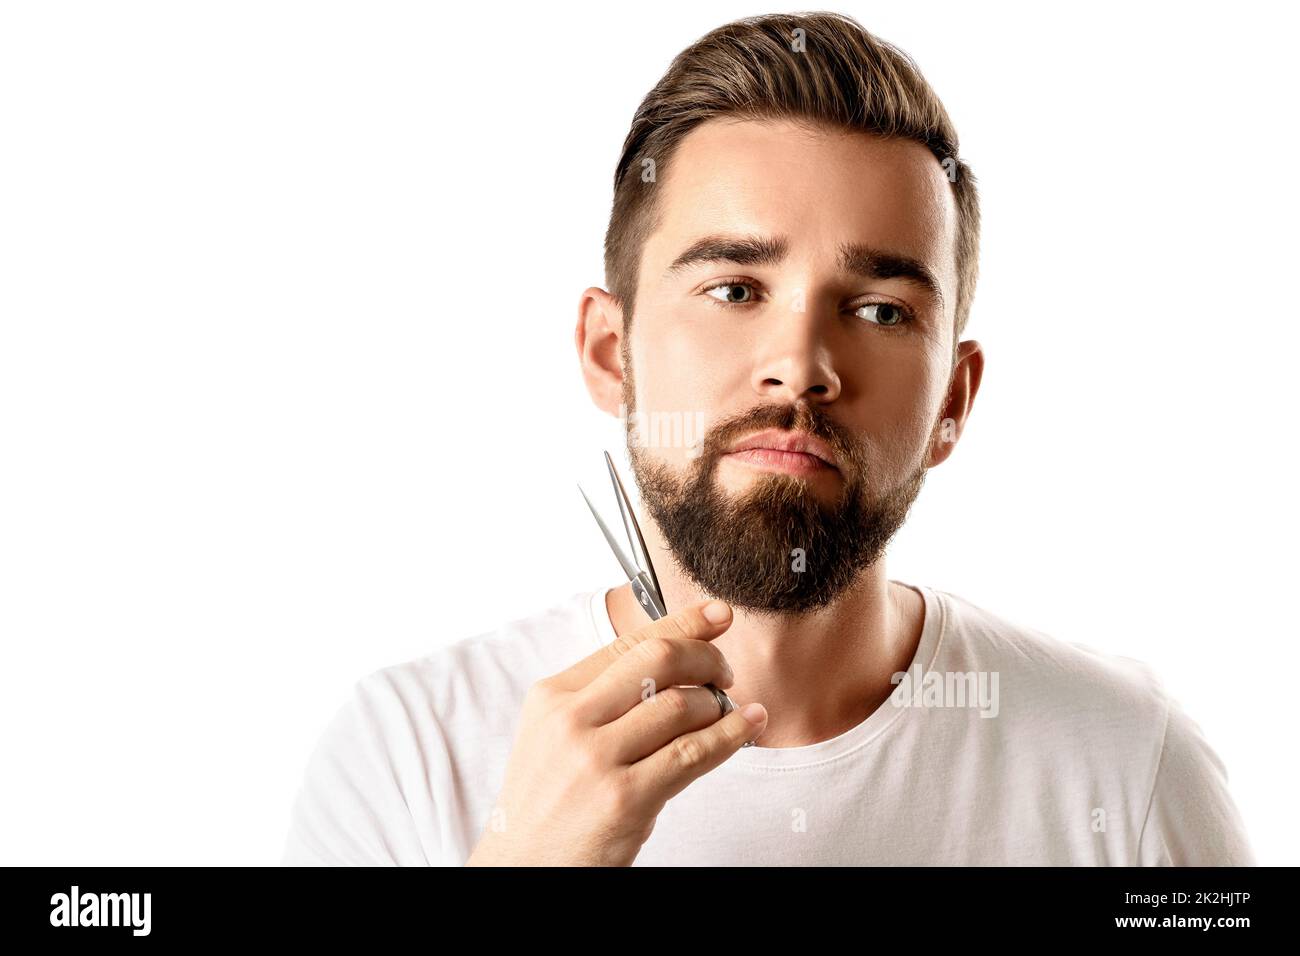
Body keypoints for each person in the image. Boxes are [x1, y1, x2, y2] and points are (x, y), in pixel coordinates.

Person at [280, 11, 1255, 866]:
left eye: (878, 310)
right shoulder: (408, 755)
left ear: (953, 400)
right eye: (735, 289)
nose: (799, 365)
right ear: (611, 352)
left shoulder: (1130, 764)